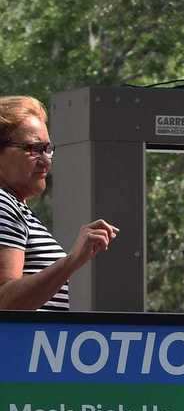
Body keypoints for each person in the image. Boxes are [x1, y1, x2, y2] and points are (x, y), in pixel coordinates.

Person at [0, 96, 119, 311]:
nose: (46, 160)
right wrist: (72, 260)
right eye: (34, 149)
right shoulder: (3, 204)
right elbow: (4, 303)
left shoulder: (15, 205)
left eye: (48, 148)